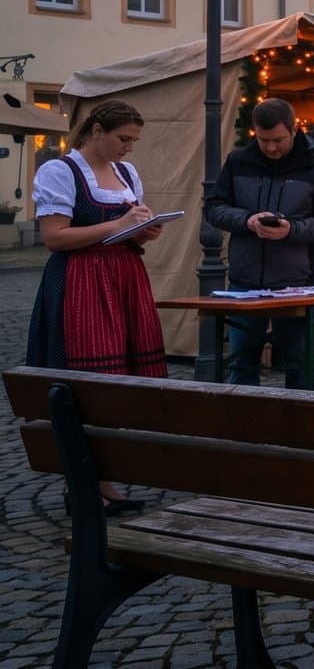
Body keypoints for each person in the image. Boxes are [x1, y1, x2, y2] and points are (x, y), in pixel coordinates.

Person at [26, 100, 168, 513]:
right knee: (88, 384)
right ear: (97, 130)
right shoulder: (60, 171)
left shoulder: (127, 174)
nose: (129, 148)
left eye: (134, 141)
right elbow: (55, 238)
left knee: (122, 380)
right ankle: (86, 485)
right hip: (81, 285)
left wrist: (142, 233)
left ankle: (103, 482)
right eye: (124, 139)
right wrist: (118, 225)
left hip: (123, 279)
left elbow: (125, 234)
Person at [204, 98, 314, 391]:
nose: (271, 147)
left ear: (295, 131)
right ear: (254, 133)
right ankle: (242, 426)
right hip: (245, 281)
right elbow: (214, 207)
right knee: (241, 363)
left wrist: (291, 229)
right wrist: (247, 220)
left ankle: (300, 426)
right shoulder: (237, 160)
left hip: (301, 282)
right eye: (263, 140)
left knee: (299, 364)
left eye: (278, 140)